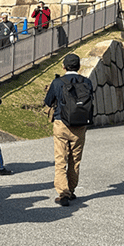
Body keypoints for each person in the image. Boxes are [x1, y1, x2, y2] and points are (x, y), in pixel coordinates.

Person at [44, 54, 93, 206]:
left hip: (61, 124)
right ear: (79, 66)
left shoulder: (58, 82)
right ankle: (71, 189)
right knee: (75, 160)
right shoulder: (87, 82)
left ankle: (63, 192)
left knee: (60, 160)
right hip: (80, 126)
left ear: (64, 66)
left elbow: (48, 101)